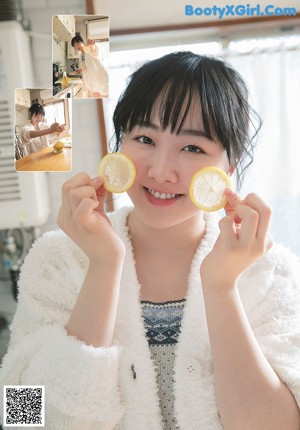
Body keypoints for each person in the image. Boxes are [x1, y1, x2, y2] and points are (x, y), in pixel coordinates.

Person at [1, 52, 300, 430]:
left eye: (193, 148)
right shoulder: (57, 259)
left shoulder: (270, 272)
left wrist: (221, 288)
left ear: (228, 168)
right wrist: (103, 266)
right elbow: (22, 418)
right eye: (144, 138)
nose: (160, 171)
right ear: (119, 145)